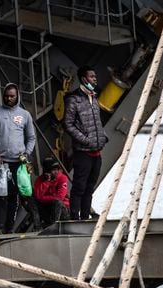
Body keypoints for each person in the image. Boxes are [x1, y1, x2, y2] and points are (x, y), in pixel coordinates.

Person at [0, 82, 36, 234]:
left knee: (15, 197)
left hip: (18, 165)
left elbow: (31, 137)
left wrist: (27, 153)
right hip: (0, 164)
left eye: (12, 96)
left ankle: (9, 229)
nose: (9, 99)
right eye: (6, 96)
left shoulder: (25, 115)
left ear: (17, 96)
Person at [63, 65, 108, 220]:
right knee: (79, 187)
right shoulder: (73, 99)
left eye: (95, 77)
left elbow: (97, 123)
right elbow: (67, 124)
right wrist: (86, 140)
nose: (95, 79)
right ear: (84, 79)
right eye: (92, 77)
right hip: (83, 152)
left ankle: (85, 216)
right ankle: (75, 217)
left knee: (89, 188)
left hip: (97, 152)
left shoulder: (93, 98)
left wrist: (103, 137)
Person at [32, 157, 70, 227]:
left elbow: (60, 197)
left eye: (57, 169)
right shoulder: (40, 180)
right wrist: (47, 182)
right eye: (53, 170)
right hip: (48, 209)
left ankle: (54, 226)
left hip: (63, 211)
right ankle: (38, 226)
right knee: (33, 201)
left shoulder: (62, 178)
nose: (56, 172)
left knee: (57, 202)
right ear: (47, 171)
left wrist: (43, 198)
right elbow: (38, 196)